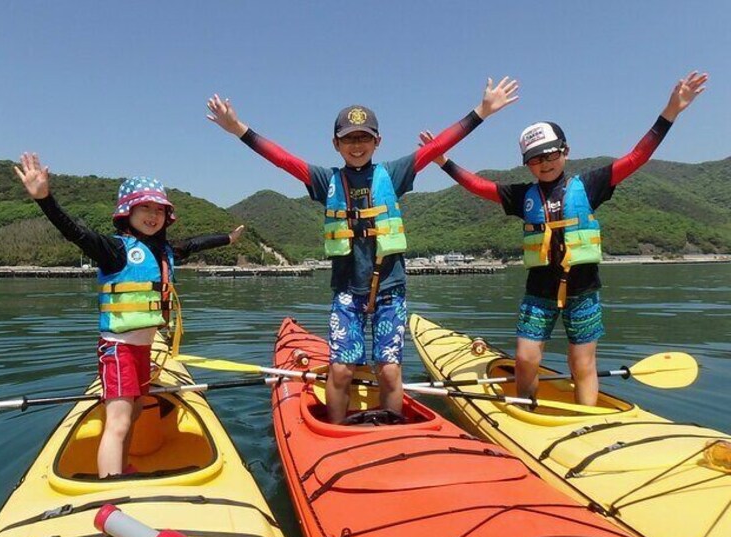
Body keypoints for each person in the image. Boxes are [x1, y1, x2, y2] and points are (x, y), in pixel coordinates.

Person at [207, 78, 519, 424]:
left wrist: (482, 111)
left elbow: (436, 147)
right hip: (347, 291)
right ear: (336, 144)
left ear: (377, 141)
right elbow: (282, 159)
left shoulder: (394, 173)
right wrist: (238, 128)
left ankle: (393, 428)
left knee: (389, 370)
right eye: (349, 139)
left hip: (390, 289)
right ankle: (335, 430)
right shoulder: (325, 180)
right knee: (341, 370)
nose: (357, 145)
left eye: (364, 138)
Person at [419, 71, 708, 406]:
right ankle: (526, 408)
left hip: (583, 291)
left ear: (565, 151)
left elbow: (636, 157)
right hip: (538, 292)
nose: (545, 163)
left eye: (551, 154)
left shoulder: (590, 185)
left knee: (581, 363)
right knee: (526, 358)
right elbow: (478, 186)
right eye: (535, 158)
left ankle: (588, 419)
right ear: (527, 164)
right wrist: (443, 161)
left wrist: (671, 111)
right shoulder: (522, 196)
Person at [15, 153, 244, 477]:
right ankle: (112, 489)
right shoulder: (115, 250)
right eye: (145, 208)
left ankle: (122, 468)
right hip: (119, 349)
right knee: (119, 421)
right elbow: (76, 233)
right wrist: (44, 199)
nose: (153, 215)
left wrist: (228, 239)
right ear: (128, 212)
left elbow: (194, 244)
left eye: (159, 210)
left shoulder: (164, 251)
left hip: (141, 349)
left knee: (135, 411)